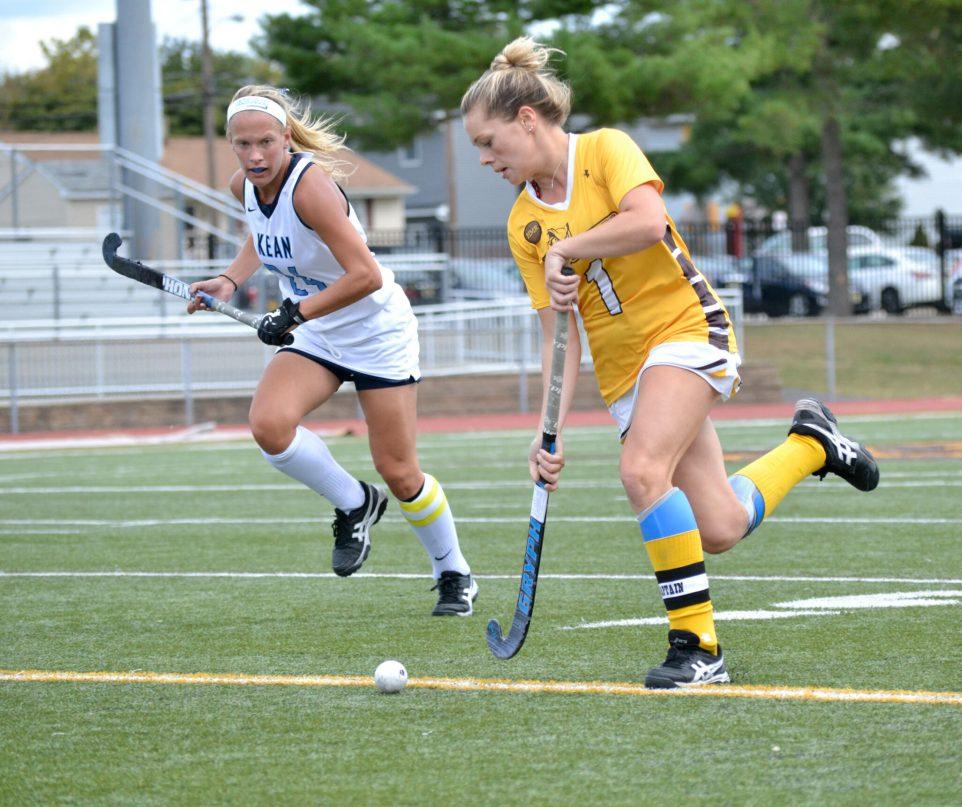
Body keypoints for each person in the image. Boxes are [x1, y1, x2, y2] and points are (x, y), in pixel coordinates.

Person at [461, 38, 879, 688]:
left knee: (641, 469)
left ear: (527, 119)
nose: (484, 159)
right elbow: (556, 335)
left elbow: (649, 221)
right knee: (721, 525)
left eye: (489, 142)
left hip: (687, 328)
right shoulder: (524, 224)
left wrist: (569, 248)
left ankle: (698, 648)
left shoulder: (604, 150)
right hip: (627, 371)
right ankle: (811, 446)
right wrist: (550, 431)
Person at [187, 86, 478, 615]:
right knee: (269, 425)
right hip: (318, 332)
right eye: (243, 145)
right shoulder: (244, 185)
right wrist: (231, 279)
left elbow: (365, 275)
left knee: (400, 471)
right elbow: (263, 233)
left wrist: (295, 313)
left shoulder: (311, 189)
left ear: (286, 138)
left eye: (266, 144)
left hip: (374, 331)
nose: (255, 156)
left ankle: (453, 570)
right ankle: (354, 503)